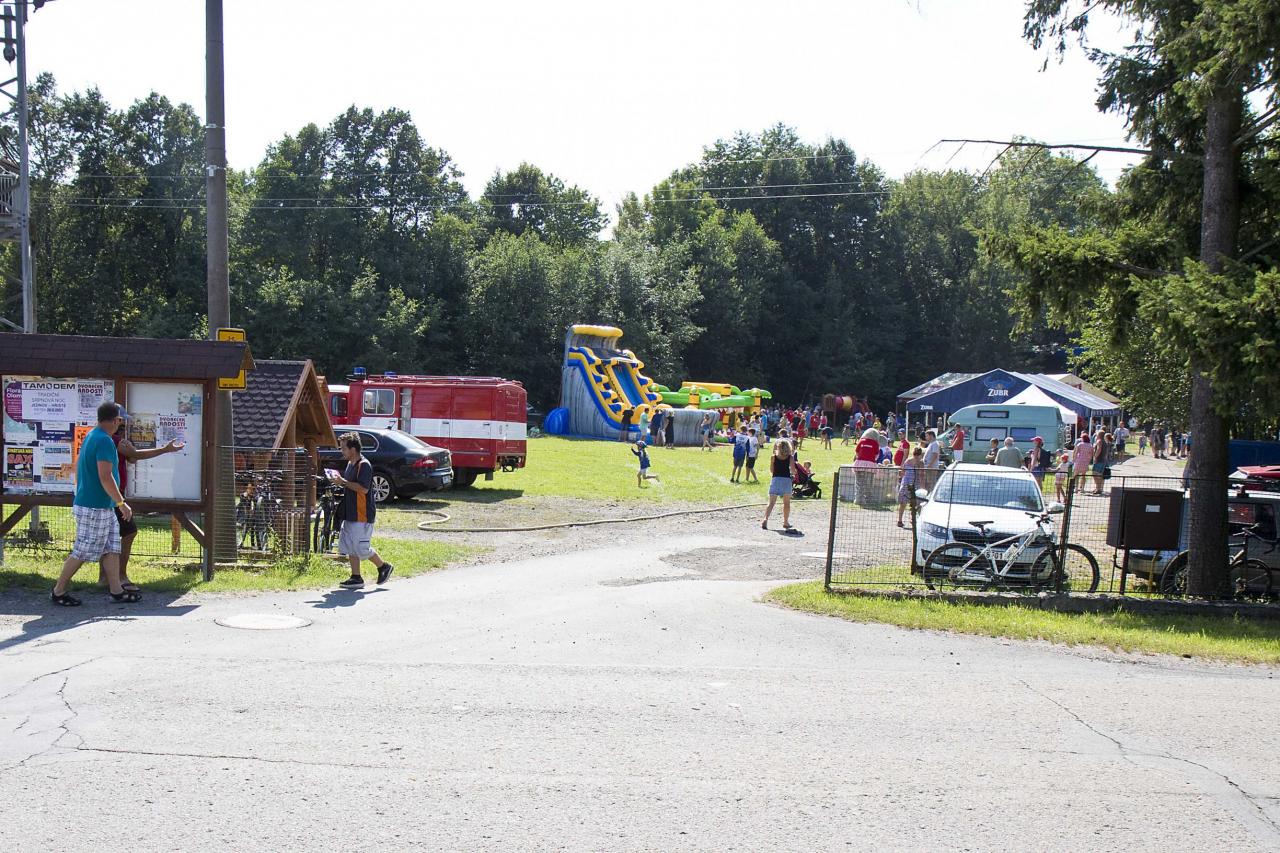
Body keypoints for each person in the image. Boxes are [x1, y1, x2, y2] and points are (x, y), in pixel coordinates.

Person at [50, 402, 141, 606]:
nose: (121, 424)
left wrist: (115, 503)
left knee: (111, 548)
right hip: (95, 506)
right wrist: (121, 502)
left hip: (103, 505)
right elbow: (105, 476)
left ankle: (116, 591)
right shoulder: (104, 441)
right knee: (82, 550)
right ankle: (58, 591)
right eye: (120, 421)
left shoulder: (93, 435)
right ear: (115, 420)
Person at [102, 421, 185, 591]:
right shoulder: (112, 440)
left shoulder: (114, 441)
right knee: (129, 532)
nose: (123, 431)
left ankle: (105, 578)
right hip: (113, 496)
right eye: (121, 427)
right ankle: (120, 576)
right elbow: (136, 455)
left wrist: (129, 446)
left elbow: (131, 458)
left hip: (115, 494)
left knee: (109, 537)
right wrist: (164, 449)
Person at [333, 432, 394, 588]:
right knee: (349, 545)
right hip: (350, 512)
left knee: (361, 547)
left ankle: (383, 566)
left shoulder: (364, 465)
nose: (341, 451)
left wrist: (343, 482)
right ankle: (356, 577)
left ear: (353, 449)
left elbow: (363, 488)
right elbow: (349, 484)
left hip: (362, 514)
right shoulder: (350, 464)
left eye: (343, 448)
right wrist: (338, 481)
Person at [761, 439, 799, 531]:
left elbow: (771, 470)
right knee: (786, 503)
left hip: (776, 479)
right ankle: (785, 522)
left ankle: (765, 519)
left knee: (771, 502)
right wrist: (795, 472)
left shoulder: (773, 457)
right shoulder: (790, 457)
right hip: (786, 480)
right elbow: (793, 470)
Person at [896, 446, 924, 528]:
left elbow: (903, 472)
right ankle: (903, 520)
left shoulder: (912, 461)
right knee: (909, 503)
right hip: (910, 484)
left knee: (910, 503)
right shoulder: (916, 462)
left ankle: (908, 520)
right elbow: (921, 475)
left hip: (911, 484)